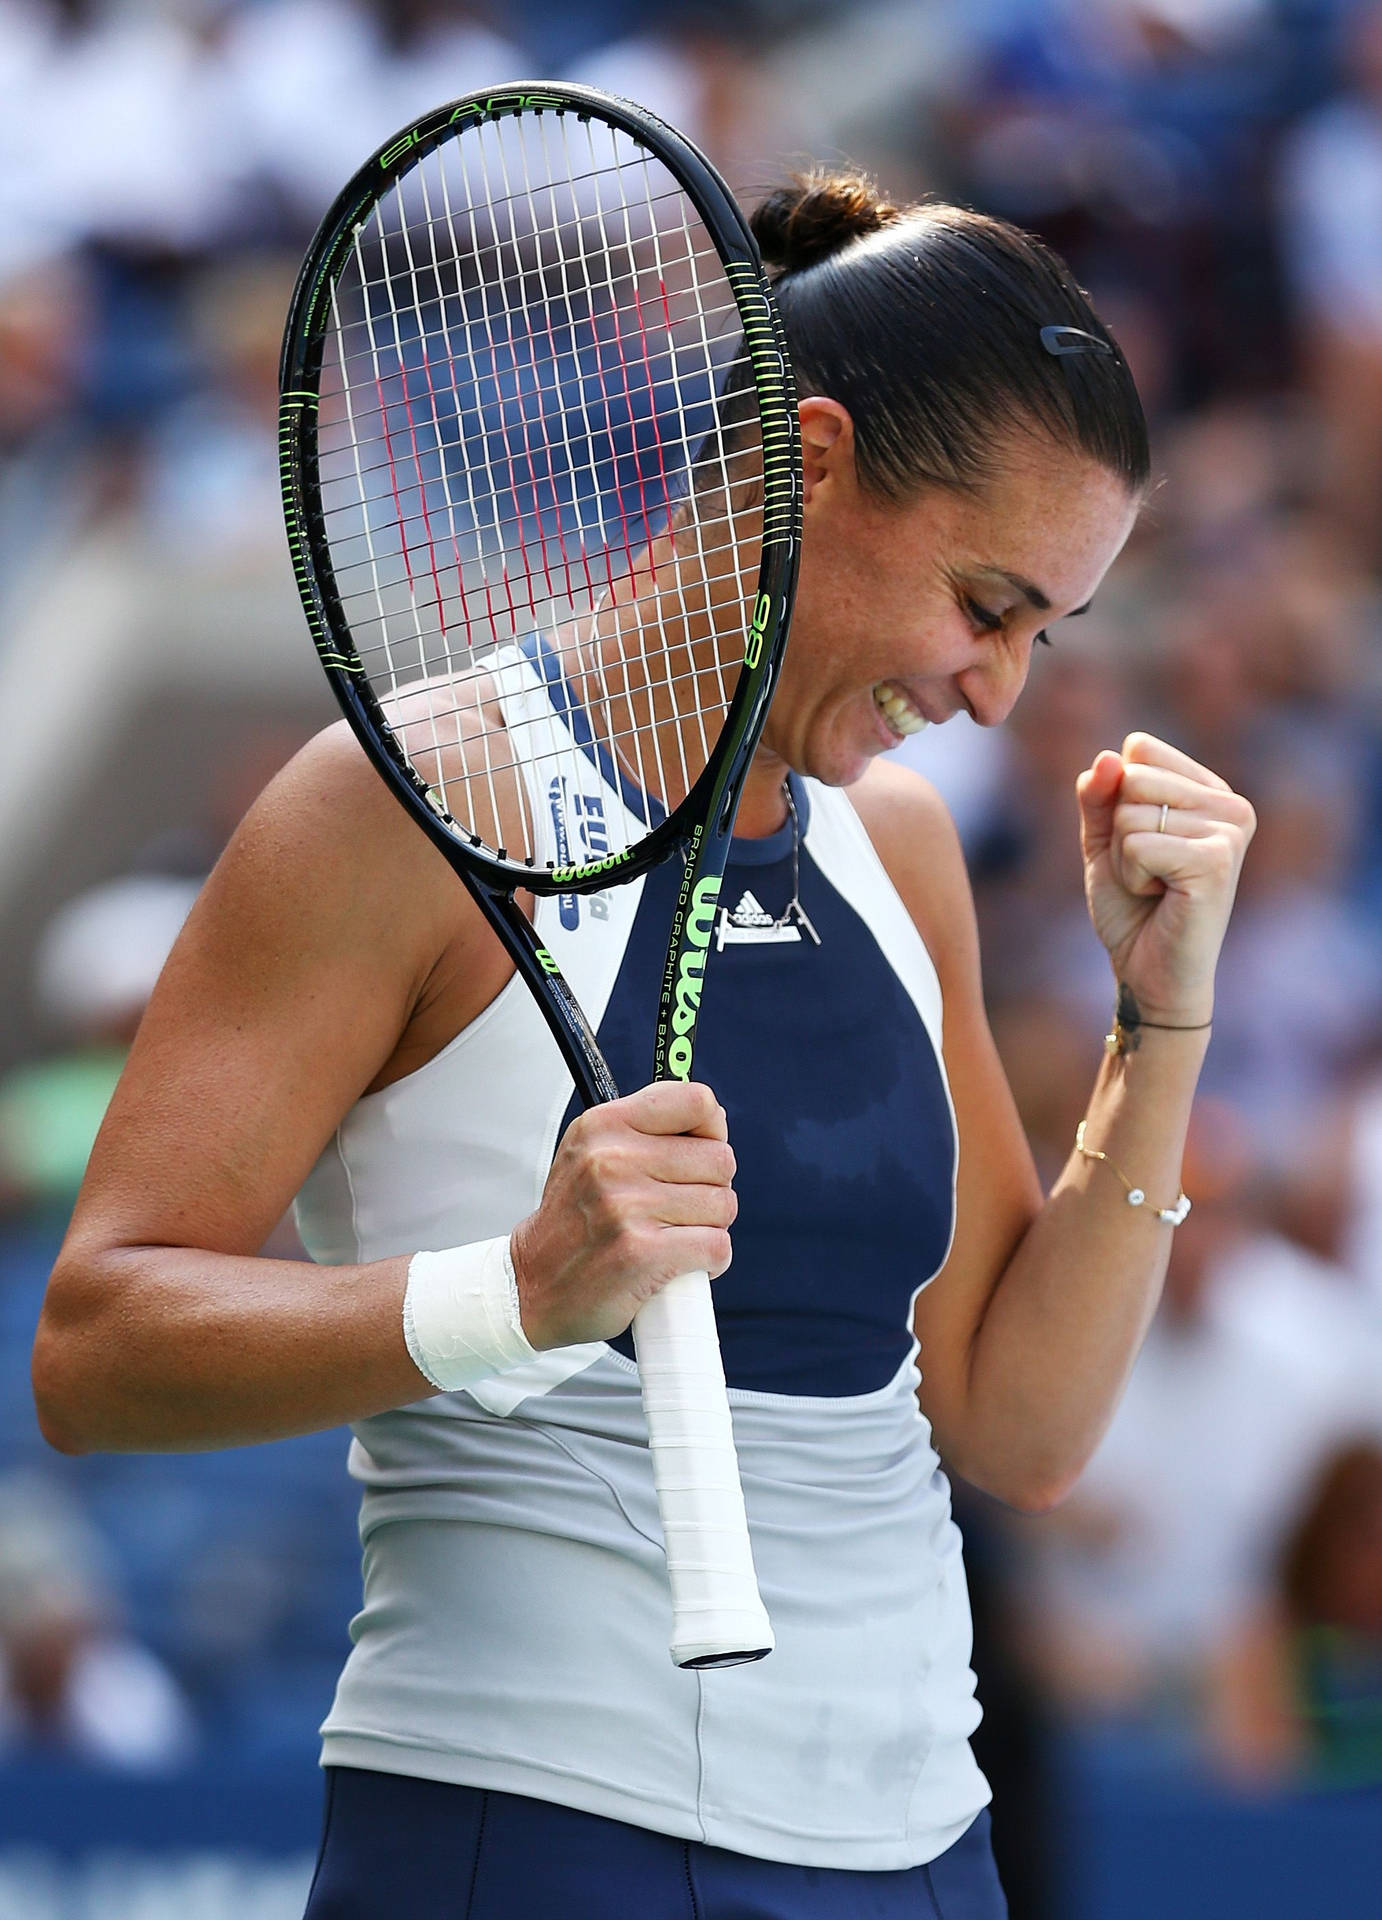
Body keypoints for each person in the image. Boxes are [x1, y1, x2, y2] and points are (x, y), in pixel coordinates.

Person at [31, 175, 1254, 1919]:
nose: (997, 689)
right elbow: (94, 1343)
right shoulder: (415, 800)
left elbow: (1019, 1426)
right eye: (986, 604)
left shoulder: (895, 847)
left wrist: (1163, 1023)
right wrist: (515, 1292)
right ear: (808, 460)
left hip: (920, 1848)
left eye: (1041, 633)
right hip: (529, 1833)